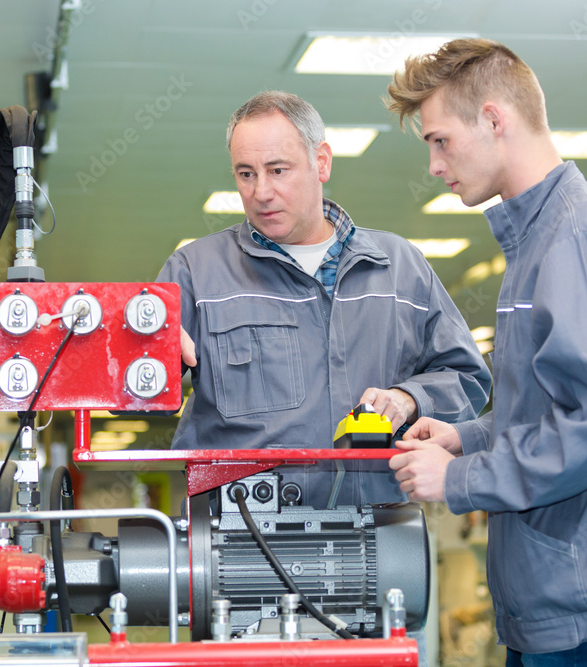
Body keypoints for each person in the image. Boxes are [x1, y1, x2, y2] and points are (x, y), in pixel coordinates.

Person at [386, 38, 587, 665]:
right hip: (550, 598)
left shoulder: (580, 234)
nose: (435, 166)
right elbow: (551, 407)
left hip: (581, 606)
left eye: (440, 140)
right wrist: (468, 437)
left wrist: (460, 478)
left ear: (494, 119)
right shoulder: (538, 241)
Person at [158, 90, 491, 508]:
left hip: (376, 537)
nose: (261, 192)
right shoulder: (195, 272)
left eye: (278, 170)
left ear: (322, 162)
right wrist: (148, 362)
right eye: (246, 174)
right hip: (238, 542)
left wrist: (409, 399)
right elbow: (137, 399)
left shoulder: (400, 268)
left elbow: (467, 378)